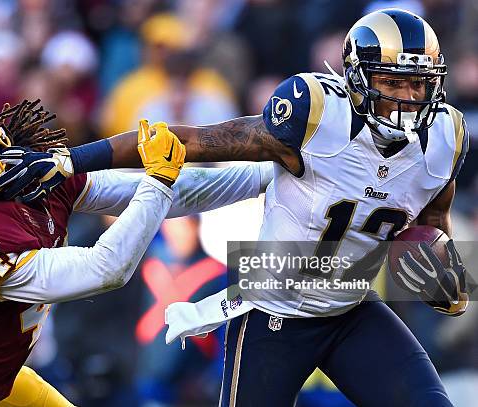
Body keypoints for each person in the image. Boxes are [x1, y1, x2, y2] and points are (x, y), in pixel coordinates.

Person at [94, 8, 470, 406]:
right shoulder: (316, 115)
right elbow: (190, 140)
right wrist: (75, 160)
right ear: (358, 80)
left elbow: (433, 225)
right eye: (393, 82)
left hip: (351, 307)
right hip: (273, 308)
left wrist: (449, 277)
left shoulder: (446, 136)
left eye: (418, 84)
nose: (408, 99)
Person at [0, 87, 274, 405]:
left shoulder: (31, 175)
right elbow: (106, 269)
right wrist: (159, 181)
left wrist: (269, 176)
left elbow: (171, 194)